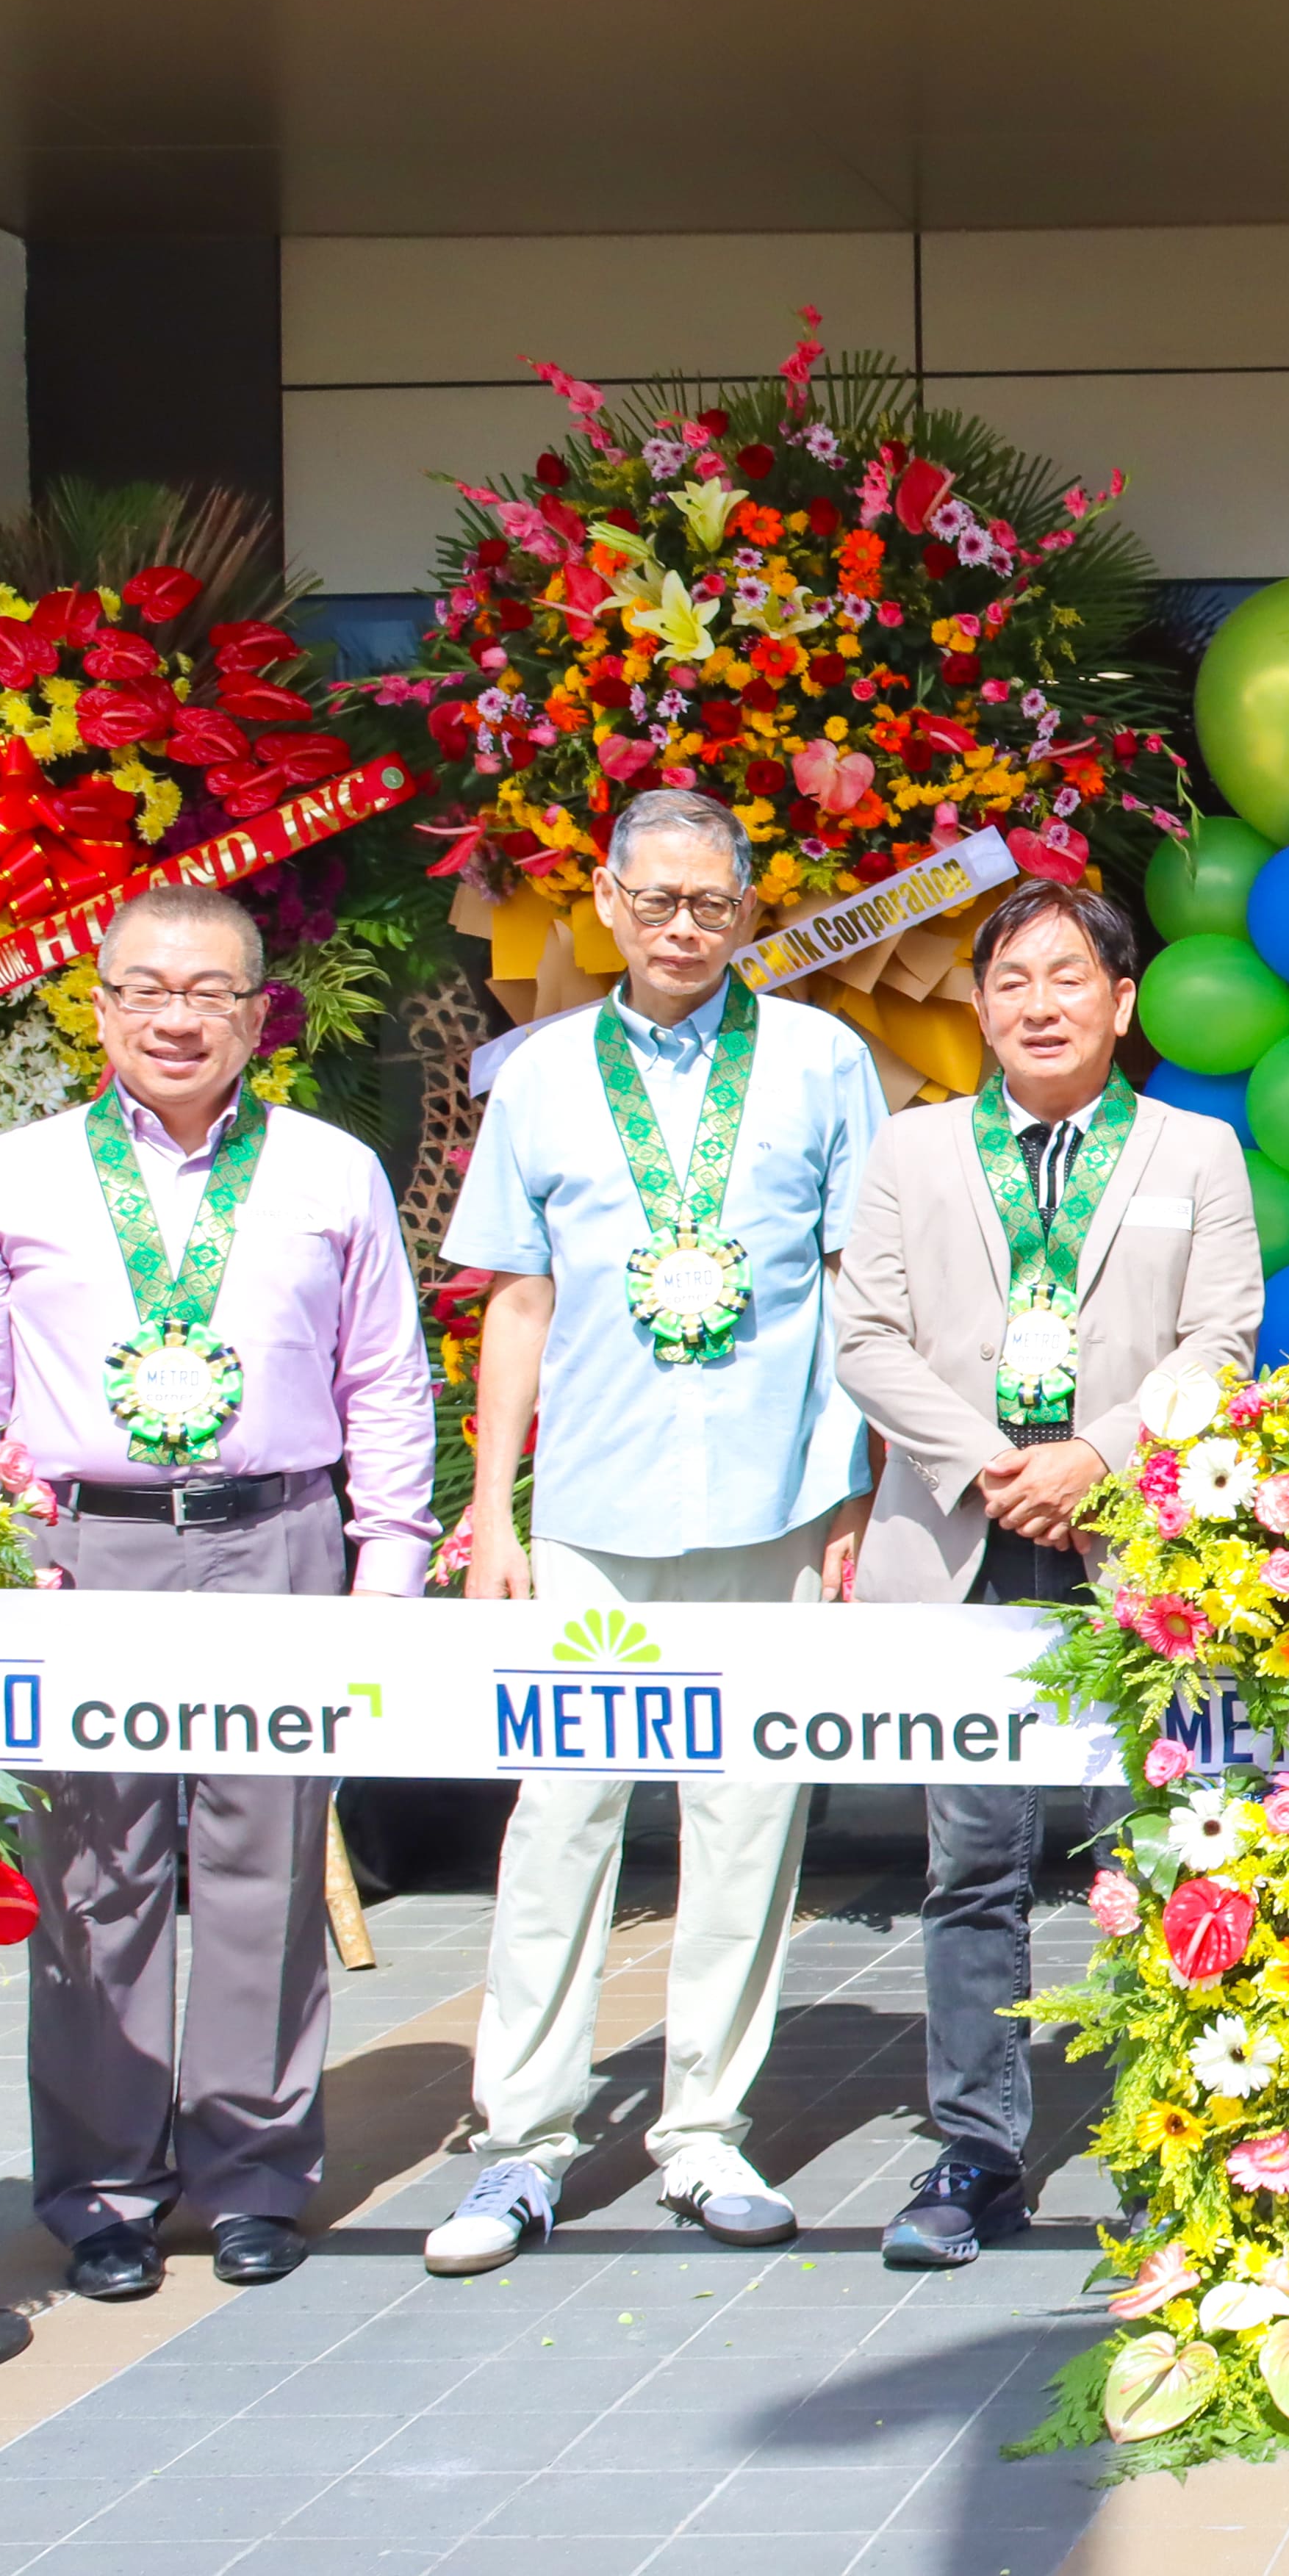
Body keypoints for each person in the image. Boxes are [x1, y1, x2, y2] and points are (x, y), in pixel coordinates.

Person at [0, 888, 436, 2303]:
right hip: (83, 1553)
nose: (175, 1016)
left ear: (260, 1011)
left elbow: (384, 1377)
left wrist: (388, 1564)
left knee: (269, 1865)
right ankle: (99, 2191)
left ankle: (255, 2174)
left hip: (276, 1541)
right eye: (145, 989)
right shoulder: (10, 1177)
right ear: (97, 1009)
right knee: (93, 1878)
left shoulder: (330, 1171)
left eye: (209, 990)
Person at [426, 788, 891, 2274]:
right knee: (561, 1814)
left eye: (713, 903)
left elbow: (859, 1290)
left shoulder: (823, 1062)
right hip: (594, 1514)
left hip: (775, 1500)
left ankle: (704, 2130)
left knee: (749, 1817)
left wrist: (857, 1496)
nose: (685, 928)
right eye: (659, 900)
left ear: (749, 911)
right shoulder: (545, 1077)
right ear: (609, 906)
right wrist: (491, 1509)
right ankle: (522, 2142)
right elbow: (515, 1298)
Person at [835, 879, 1262, 2273]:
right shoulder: (913, 1152)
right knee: (972, 1863)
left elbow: (1221, 1343)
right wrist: (992, 1466)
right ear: (980, 1000)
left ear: (1121, 1000)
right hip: (963, 1546)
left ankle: (1160, 2140)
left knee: (1151, 1847)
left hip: (1131, 1548)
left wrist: (1097, 1455)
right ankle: (977, 2154)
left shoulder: (1195, 1151)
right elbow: (869, 1339)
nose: (1038, 1003)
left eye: (1067, 977)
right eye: (1011, 978)